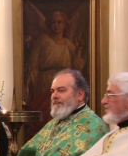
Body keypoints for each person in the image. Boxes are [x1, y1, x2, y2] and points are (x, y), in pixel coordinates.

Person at [25, 9, 86, 137]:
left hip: (64, 82)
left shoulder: (69, 45)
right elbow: (33, 64)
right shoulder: (43, 40)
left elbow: (77, 67)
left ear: (65, 24)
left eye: (59, 22)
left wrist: (80, 48)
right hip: (44, 82)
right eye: (53, 22)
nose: (56, 25)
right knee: (45, 114)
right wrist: (31, 83)